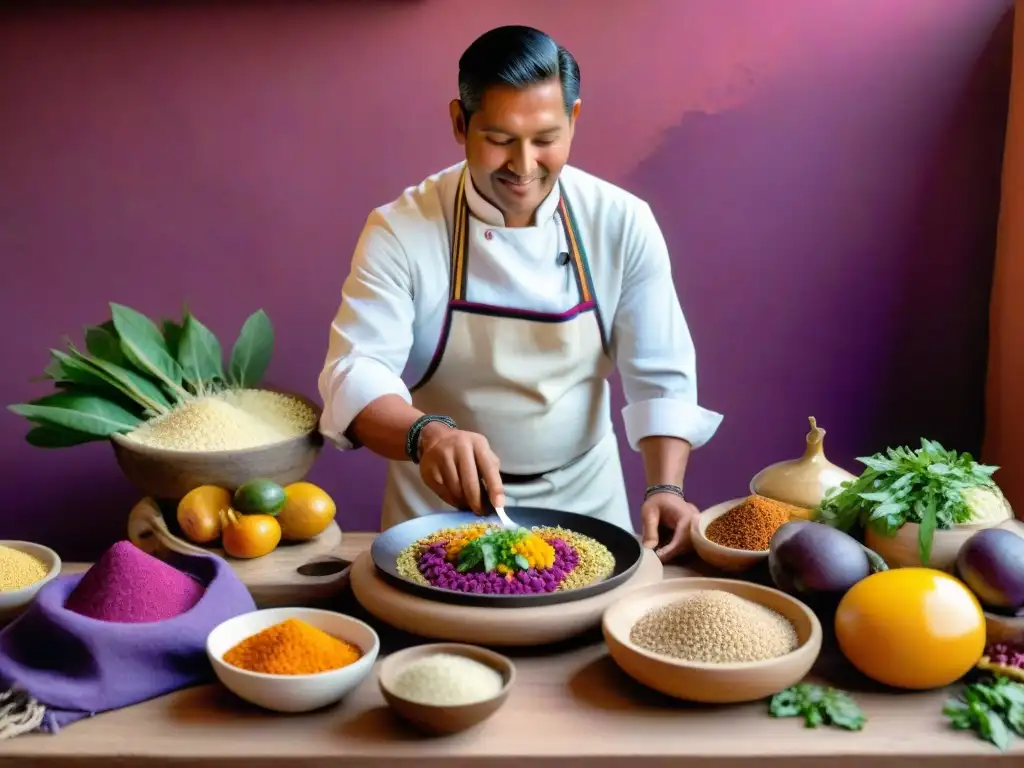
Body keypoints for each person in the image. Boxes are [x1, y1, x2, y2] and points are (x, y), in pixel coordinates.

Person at [318, 25, 723, 562]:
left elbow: (661, 373)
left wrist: (665, 489)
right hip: (438, 513)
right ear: (460, 124)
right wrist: (428, 437)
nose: (525, 166)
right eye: (501, 140)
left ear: (574, 119)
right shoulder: (402, 229)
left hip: (588, 506)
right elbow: (355, 372)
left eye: (546, 139)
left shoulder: (621, 222)